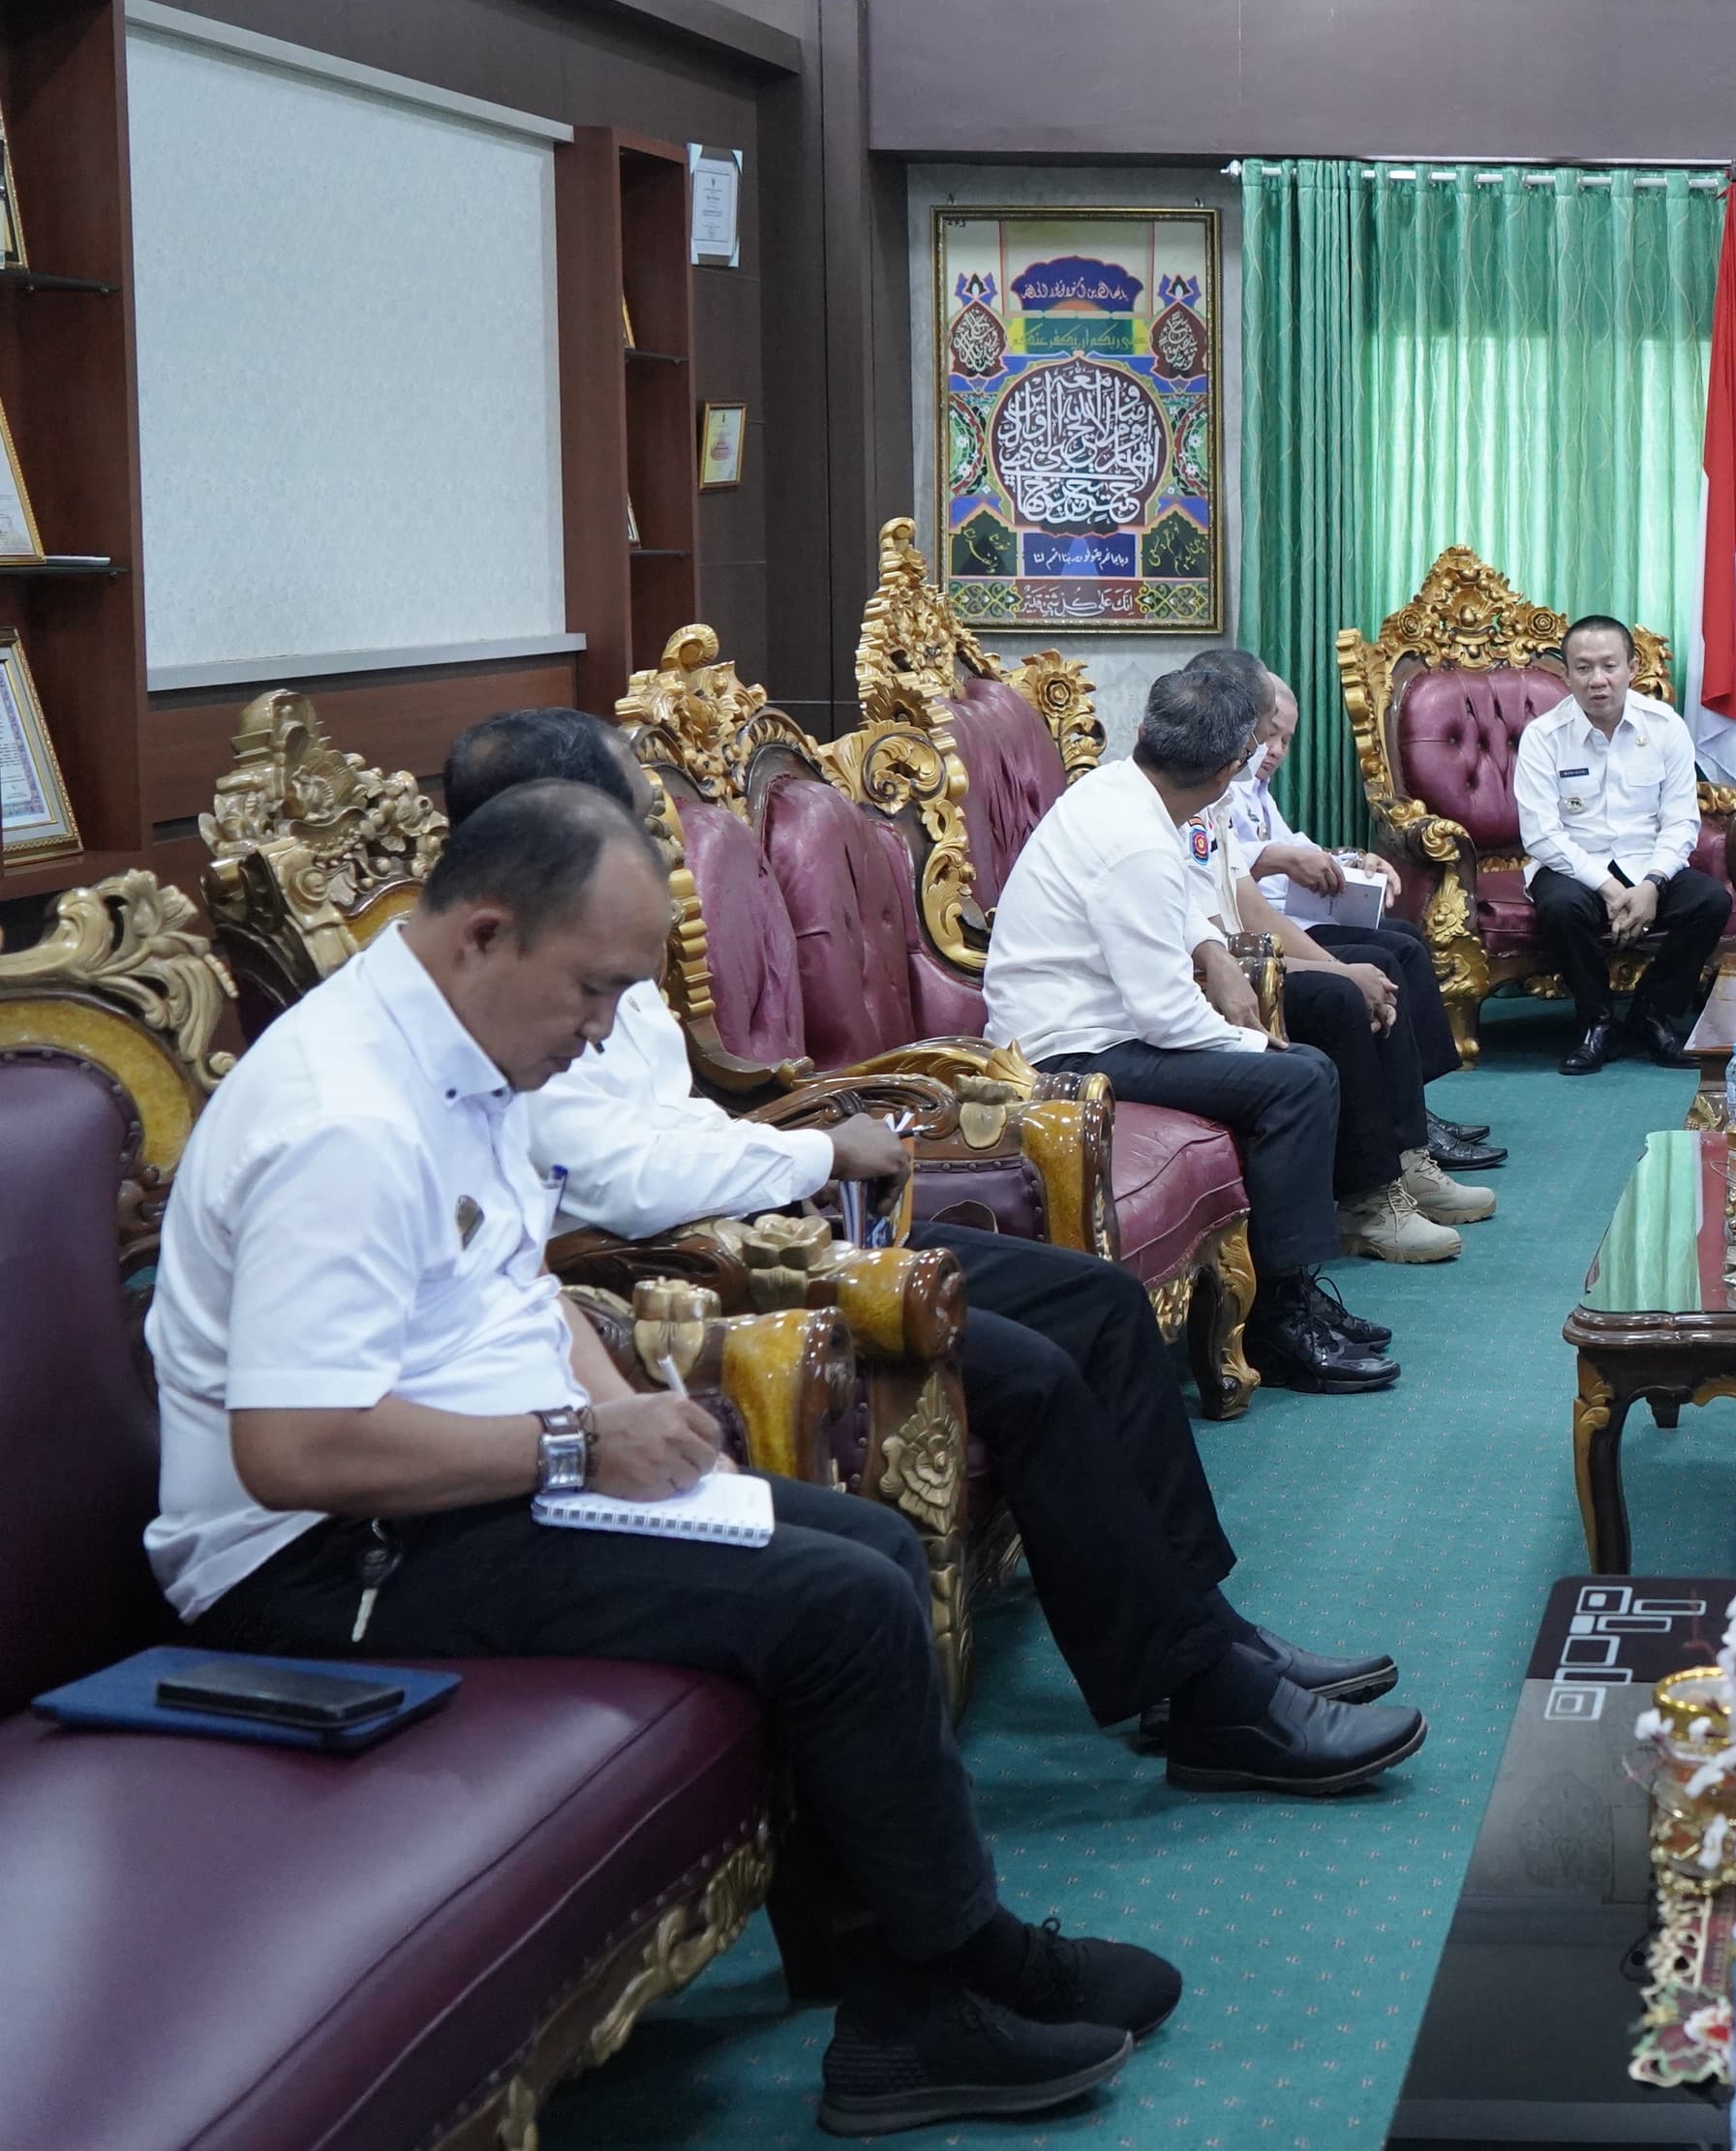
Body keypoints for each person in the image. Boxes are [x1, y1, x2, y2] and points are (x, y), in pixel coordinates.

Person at [146, 778, 1179, 2134]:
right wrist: (577, 1441)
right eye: (592, 993)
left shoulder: (461, 1050)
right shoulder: (341, 1114)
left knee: (857, 1537)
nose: (599, 1035)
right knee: (846, 1604)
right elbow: (293, 1451)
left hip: (451, 1484)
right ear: (484, 934)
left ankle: (908, 1956)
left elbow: (524, 1290)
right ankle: (927, 2006)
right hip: (321, 1564)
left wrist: (623, 1409)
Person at [450, 710, 1424, 1800]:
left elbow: (671, 1122)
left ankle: (1207, 1634)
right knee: (1032, 1369)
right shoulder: (513, 988)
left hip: (768, 1211)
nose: (661, 841)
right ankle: (1201, 1689)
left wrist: (797, 1150)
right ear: (554, 835)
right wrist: (811, 1147)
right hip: (686, 1263)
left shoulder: (590, 948)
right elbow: (615, 1179)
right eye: (641, 815)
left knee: (1097, 1302)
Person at [981, 664, 1394, 1396]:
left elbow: (1168, 912)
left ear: (1144, 733)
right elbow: (1166, 1017)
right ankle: (1282, 1318)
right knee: (1299, 1079)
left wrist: (1210, 949)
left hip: (1094, 1026)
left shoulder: (1117, 790)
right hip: (1071, 1052)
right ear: (1232, 771)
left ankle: (1289, 1295)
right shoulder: (1136, 841)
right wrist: (1259, 1044)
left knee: (1296, 1070)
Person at [1171, 650, 1496, 1264]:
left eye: (1273, 738)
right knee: (1345, 993)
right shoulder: (1173, 804)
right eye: (1261, 735)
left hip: (1243, 951)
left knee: (1373, 966)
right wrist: (1336, 972)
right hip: (1192, 986)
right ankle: (1370, 1198)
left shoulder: (1216, 793)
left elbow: (1245, 906)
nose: (1263, 752)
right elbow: (1214, 937)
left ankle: (1405, 1156)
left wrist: (1337, 962)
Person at [1514, 613, 1732, 1075]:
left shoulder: (1665, 726)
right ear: (1567, 672)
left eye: (1609, 666)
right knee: (1561, 909)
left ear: (1632, 667)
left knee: (1710, 901)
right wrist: (1610, 889)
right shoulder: (1543, 736)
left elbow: (1680, 822)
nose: (1598, 680)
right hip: (1574, 867)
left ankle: (1652, 1013)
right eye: (1584, 668)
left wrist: (1652, 883)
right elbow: (1541, 834)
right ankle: (1596, 1023)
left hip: (1646, 863)